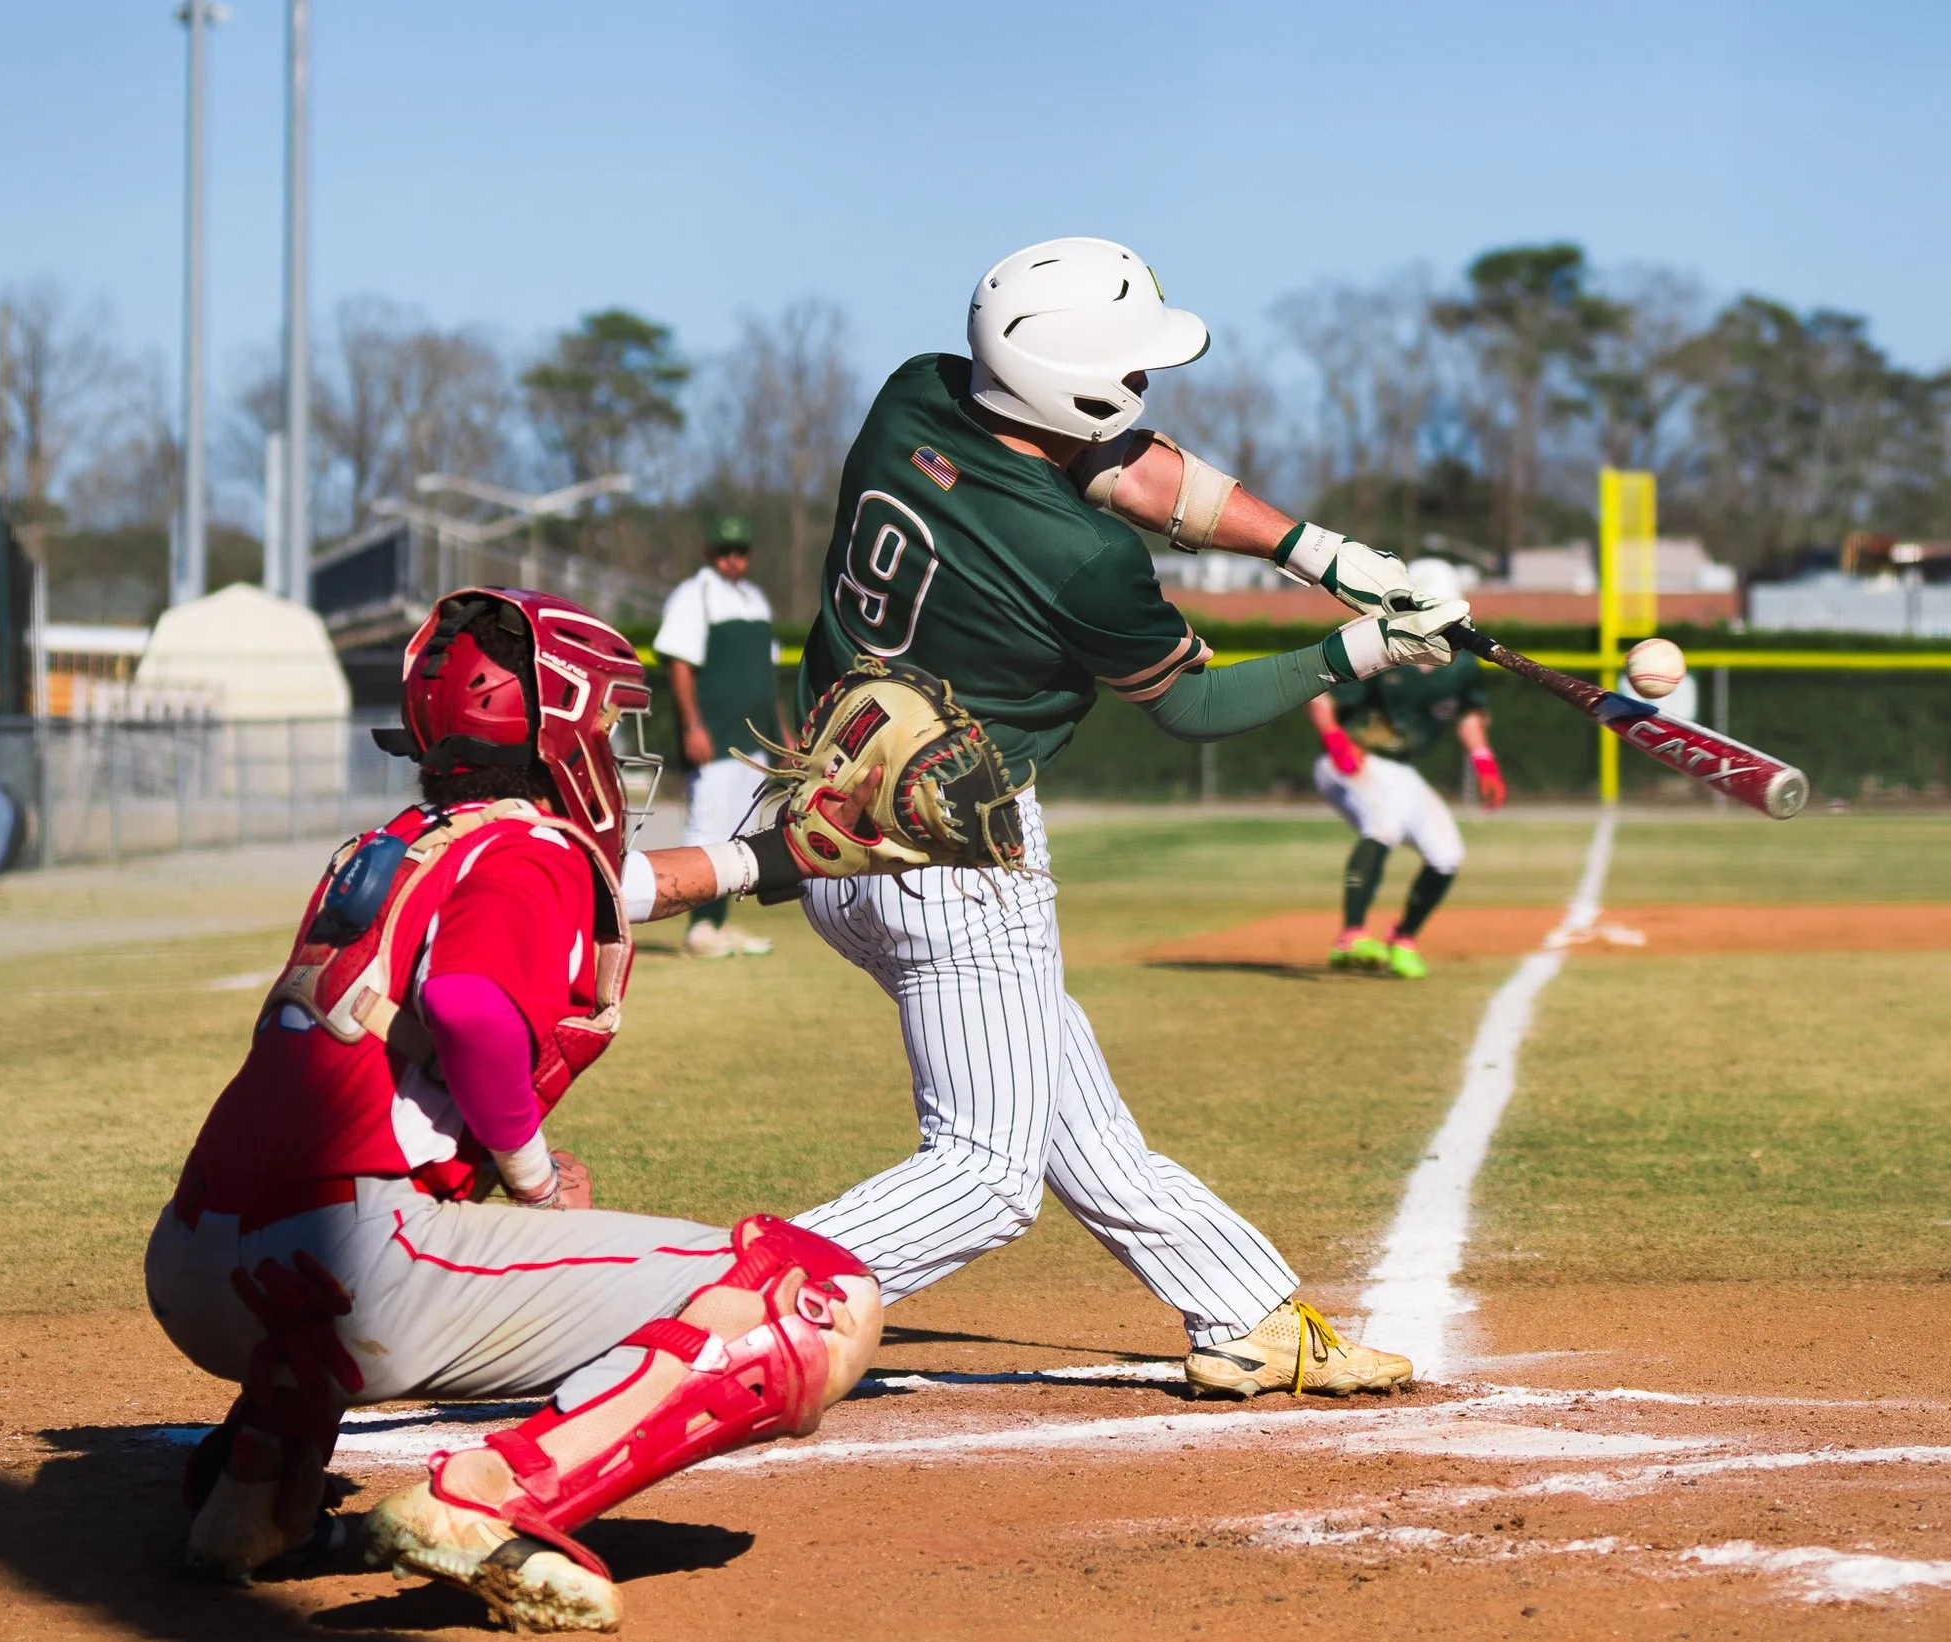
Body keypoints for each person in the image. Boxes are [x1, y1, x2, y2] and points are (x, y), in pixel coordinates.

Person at [622, 236, 1470, 1399]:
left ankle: (1246, 1312)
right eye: (1127, 369)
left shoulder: (913, 393)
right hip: (957, 854)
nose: (1143, 390)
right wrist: (1361, 643)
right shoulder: (1083, 561)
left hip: (830, 818)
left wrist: (1325, 554)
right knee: (983, 1172)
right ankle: (698, 1308)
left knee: (1075, 1113)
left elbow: (1128, 465)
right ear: (1075, 381)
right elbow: (1195, 703)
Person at [145, 588, 883, 1633]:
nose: (622, 749)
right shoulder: (532, 848)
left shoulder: (396, 842)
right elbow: (469, 1003)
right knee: (810, 1292)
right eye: (608, 722)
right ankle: (487, 1497)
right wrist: (537, 1179)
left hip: (200, 1259)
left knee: (403, 1184)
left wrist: (780, 854)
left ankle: (255, 1506)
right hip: (355, 1257)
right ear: (554, 724)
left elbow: (602, 888)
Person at [1309, 625, 1504, 981]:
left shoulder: (1459, 666)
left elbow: (1467, 714)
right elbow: (1320, 696)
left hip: (1400, 770)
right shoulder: (1382, 650)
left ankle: (1403, 939)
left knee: (1447, 855)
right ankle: (1351, 936)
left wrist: (1483, 760)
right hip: (1353, 758)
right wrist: (1336, 741)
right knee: (1383, 826)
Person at [654, 512, 788, 958]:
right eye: (726, 552)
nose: (734, 560)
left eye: (742, 552)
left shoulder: (754, 601)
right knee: (708, 827)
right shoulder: (694, 596)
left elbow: (765, 678)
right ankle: (698, 927)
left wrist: (782, 734)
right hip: (715, 735)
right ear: (710, 553)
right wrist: (692, 725)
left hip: (755, 740)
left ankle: (717, 924)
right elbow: (679, 664)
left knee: (741, 832)